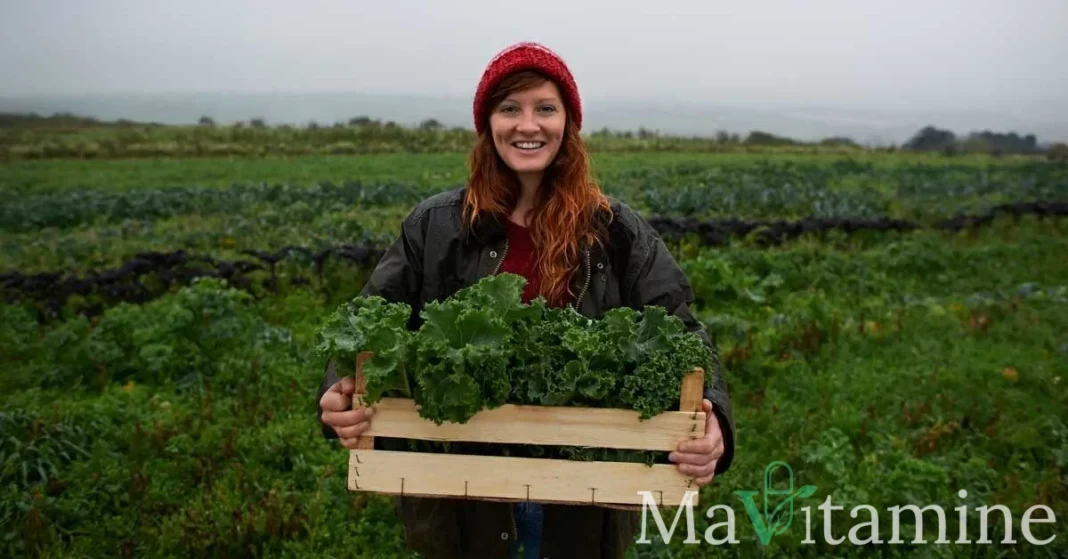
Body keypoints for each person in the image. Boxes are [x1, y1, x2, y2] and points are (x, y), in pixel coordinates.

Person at [317, 41, 736, 559]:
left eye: (545, 108)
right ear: (487, 123)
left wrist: (714, 415)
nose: (527, 125)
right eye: (509, 108)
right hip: (462, 493)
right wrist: (336, 390)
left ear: (568, 123)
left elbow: (682, 330)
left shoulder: (616, 231)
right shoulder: (436, 226)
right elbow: (366, 321)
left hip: (579, 501)